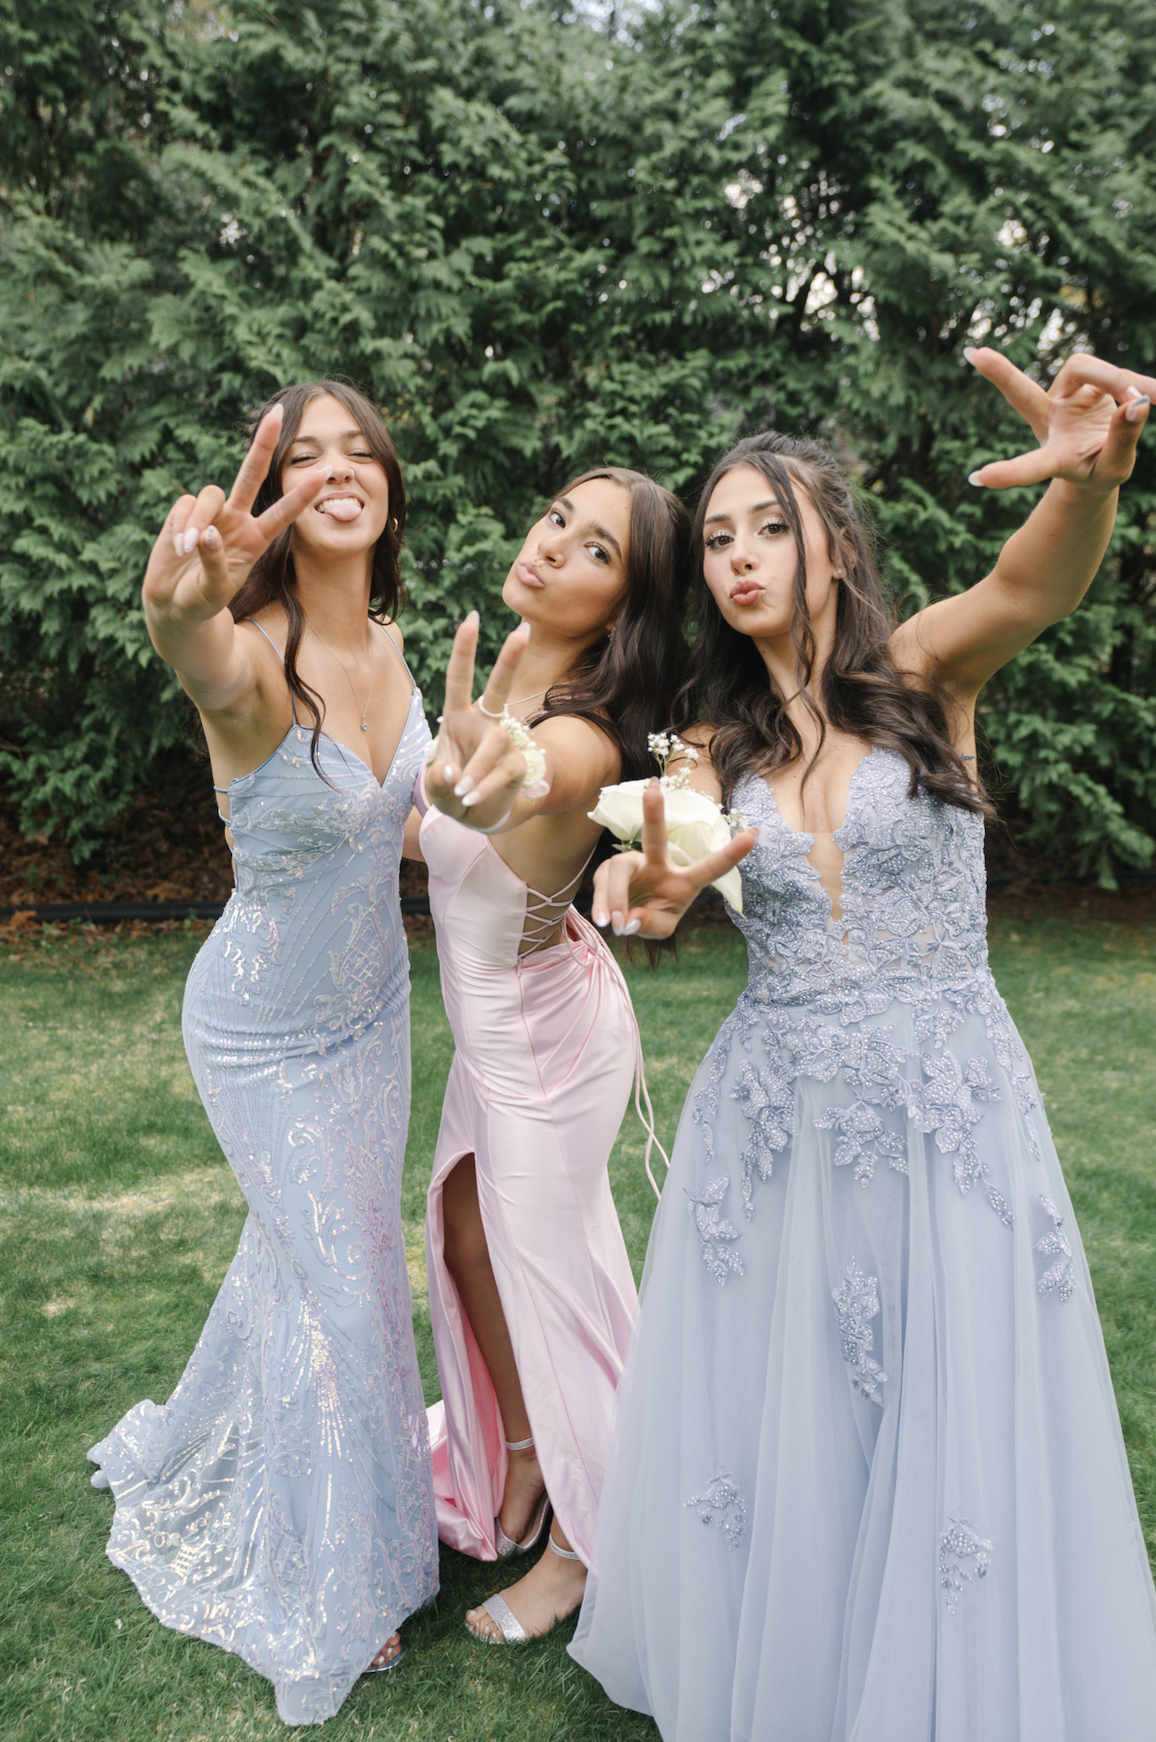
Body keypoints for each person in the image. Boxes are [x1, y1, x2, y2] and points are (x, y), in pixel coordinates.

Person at [564, 349, 1156, 1739]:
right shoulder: (711, 741)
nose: (739, 555)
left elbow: (1035, 580)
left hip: (946, 1101)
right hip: (780, 1119)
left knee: (949, 1392)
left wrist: (1090, 474)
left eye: (769, 523)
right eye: (715, 536)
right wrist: (641, 890)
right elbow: (669, 870)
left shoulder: (925, 668)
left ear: (832, 538)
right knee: (805, 1415)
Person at [87, 382, 439, 1726]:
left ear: (389, 487)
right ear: (279, 498)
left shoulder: (401, 643)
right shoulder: (250, 648)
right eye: (308, 456)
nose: (338, 469)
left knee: (311, 1266)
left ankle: (305, 1488)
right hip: (259, 1027)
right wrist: (180, 599)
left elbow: (407, 817)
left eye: (361, 450)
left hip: (373, 1015)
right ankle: (339, 1580)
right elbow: (192, 644)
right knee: (353, 1294)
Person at [417, 468, 690, 1644]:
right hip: (505, 1013)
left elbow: (557, 772)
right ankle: (525, 1456)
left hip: (542, 1041)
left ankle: (589, 1543)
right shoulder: (501, 665)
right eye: (555, 520)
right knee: (466, 1234)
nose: (552, 547)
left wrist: (509, 774)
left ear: (624, 603)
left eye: (595, 551)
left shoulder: (581, 716)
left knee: (558, 1278)